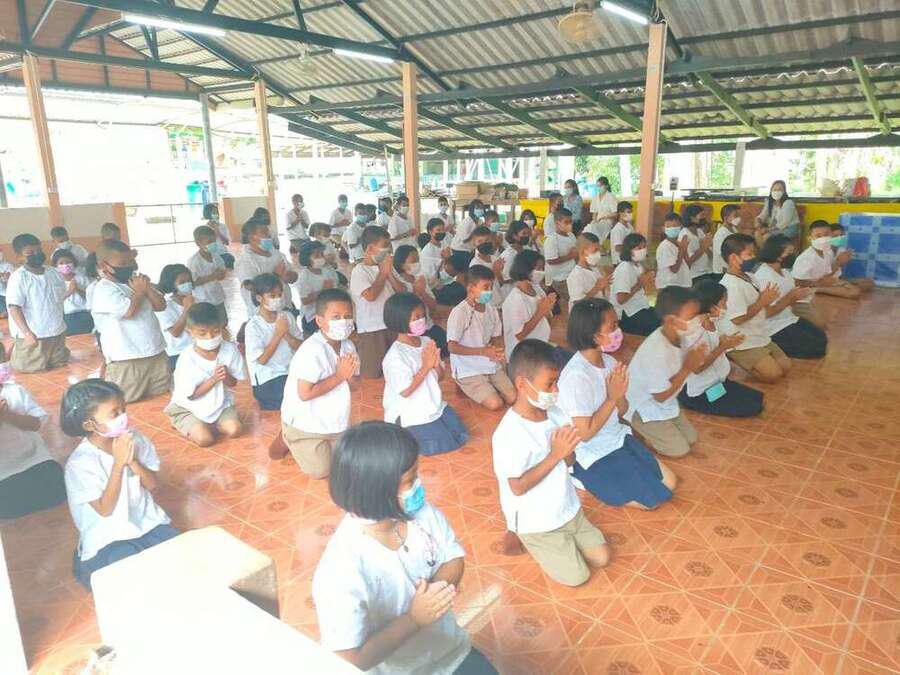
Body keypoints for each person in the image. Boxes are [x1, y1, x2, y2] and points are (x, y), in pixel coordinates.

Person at [313, 422, 494, 675]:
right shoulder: (341, 571)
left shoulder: (422, 514)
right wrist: (414, 619)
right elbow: (349, 659)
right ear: (377, 491)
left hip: (450, 651)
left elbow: (453, 558)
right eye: (410, 480)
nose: (419, 484)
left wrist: (433, 596)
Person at [492, 339, 611, 587]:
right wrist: (555, 455)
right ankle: (523, 535)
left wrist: (566, 452)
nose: (556, 390)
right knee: (578, 577)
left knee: (602, 557)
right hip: (537, 521)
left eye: (556, 382)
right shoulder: (509, 433)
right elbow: (517, 487)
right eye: (549, 384)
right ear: (522, 384)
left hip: (566, 508)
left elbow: (570, 460)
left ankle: (563, 539)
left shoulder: (556, 413)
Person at [558, 299, 677, 509]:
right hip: (589, 450)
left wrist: (619, 396)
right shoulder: (576, 377)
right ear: (595, 335)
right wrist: (612, 398)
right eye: (612, 326)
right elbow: (584, 434)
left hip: (616, 437)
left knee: (670, 483)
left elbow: (622, 410)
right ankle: (578, 475)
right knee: (650, 503)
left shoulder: (610, 362)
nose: (618, 330)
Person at [61, 379, 178, 590]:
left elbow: (153, 485)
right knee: (132, 579)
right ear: (89, 425)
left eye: (123, 409)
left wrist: (132, 461)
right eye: (114, 414)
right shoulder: (80, 463)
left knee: (179, 561)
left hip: (147, 522)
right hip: (108, 536)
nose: (123, 417)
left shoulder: (136, 439)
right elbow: (105, 509)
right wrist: (118, 464)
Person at [281, 289, 359, 478]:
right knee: (321, 471)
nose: (344, 322)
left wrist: (348, 376)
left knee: (349, 463)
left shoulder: (348, 346)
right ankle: (289, 434)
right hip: (307, 423)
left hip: (336, 421)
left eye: (348, 316)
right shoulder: (311, 350)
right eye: (336, 317)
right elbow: (305, 393)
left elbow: (355, 385)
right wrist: (340, 376)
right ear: (319, 321)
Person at [625, 287, 710, 458]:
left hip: (667, 399)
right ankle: (635, 428)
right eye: (692, 317)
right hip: (644, 406)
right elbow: (660, 396)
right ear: (671, 320)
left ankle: (660, 430)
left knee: (691, 438)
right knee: (679, 450)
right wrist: (687, 368)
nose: (698, 320)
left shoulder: (679, 335)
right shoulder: (656, 351)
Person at [382, 294, 468, 456]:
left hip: (431, 403)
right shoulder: (395, 357)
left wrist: (436, 365)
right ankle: (402, 432)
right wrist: (426, 367)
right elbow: (405, 391)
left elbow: (440, 377)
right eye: (416, 318)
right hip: (409, 411)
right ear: (399, 320)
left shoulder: (426, 341)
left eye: (422, 316)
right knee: (444, 445)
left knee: (460, 435)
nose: (421, 321)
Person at [91, 240, 170, 402]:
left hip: (155, 352)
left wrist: (147, 289)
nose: (128, 266)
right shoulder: (104, 289)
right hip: (127, 358)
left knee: (161, 396)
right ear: (104, 265)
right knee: (126, 402)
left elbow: (161, 306)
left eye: (130, 261)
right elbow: (129, 312)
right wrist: (140, 292)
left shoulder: (135, 282)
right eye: (122, 263)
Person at [0, 343, 66, 519]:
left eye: (2, 360)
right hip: (3, 472)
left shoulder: (15, 391)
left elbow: (36, 424)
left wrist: (8, 416)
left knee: (56, 489)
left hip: (34, 459)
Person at [680, 280, 765, 417]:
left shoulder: (712, 321)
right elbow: (697, 368)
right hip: (702, 391)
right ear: (711, 306)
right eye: (723, 303)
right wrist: (722, 347)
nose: (726, 307)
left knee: (758, 398)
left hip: (718, 382)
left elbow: (715, 345)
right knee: (754, 408)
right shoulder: (692, 331)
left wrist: (727, 343)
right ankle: (689, 401)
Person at [165, 302, 244, 446]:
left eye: (216, 331)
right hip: (189, 407)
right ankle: (181, 420)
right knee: (205, 440)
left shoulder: (229, 350)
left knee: (235, 430)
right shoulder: (186, 358)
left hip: (219, 403)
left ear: (222, 327)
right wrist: (214, 379)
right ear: (190, 332)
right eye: (202, 333)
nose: (210, 337)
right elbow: (191, 396)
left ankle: (210, 424)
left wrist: (225, 376)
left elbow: (233, 383)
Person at [720, 234, 792, 383]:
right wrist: (762, 301)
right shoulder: (730, 285)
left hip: (757, 333)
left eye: (754, 253)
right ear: (733, 258)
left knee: (786, 366)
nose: (754, 258)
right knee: (773, 375)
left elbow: (763, 308)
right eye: (750, 254)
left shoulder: (750, 277)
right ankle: (731, 356)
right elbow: (738, 319)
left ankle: (756, 359)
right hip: (740, 340)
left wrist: (768, 301)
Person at [447, 266, 515, 411]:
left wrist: (497, 350)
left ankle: (486, 387)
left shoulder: (491, 310)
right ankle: (463, 382)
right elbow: (452, 347)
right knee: (496, 404)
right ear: (471, 288)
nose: (489, 291)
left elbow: (496, 337)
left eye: (491, 287)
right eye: (485, 287)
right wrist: (482, 351)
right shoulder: (460, 312)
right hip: (468, 367)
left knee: (513, 397)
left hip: (489, 362)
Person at [753, 235, 827, 359]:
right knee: (814, 347)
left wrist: (800, 294)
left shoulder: (786, 272)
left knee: (821, 338)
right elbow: (765, 313)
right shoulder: (764, 276)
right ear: (777, 254)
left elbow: (791, 298)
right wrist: (790, 298)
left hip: (788, 318)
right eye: (789, 252)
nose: (793, 256)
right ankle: (770, 345)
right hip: (771, 325)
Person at [6, 233, 69, 372]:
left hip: (57, 332)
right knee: (33, 371)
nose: (36, 254)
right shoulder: (18, 278)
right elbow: (14, 307)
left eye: (39, 250)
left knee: (60, 367)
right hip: (34, 336)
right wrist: (27, 333)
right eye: (30, 253)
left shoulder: (53, 272)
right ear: (19, 257)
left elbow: (59, 298)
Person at [350, 226, 404, 378]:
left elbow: (402, 291)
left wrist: (389, 274)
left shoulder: (387, 268)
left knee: (395, 368)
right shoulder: (359, 271)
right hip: (372, 328)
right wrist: (383, 274)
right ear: (370, 248)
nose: (388, 249)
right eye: (385, 245)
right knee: (372, 373)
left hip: (392, 324)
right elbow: (371, 296)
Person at [244, 273, 302, 411]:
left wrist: (286, 334)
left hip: (290, 371)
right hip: (268, 377)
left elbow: (301, 347)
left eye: (279, 294)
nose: (278, 299)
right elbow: (262, 360)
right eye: (272, 296)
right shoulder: (253, 326)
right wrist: (278, 334)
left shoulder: (287, 317)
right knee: (293, 399)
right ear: (259, 298)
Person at [501, 250, 557, 361]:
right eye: (538, 268)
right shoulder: (516, 299)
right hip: (522, 356)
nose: (541, 272)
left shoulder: (537, 289)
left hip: (538, 347)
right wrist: (541, 311)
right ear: (526, 269)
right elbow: (520, 335)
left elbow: (547, 321)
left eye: (542, 268)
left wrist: (547, 308)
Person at [791, 220, 866, 302]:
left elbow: (828, 274)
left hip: (826, 282)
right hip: (813, 287)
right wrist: (819, 284)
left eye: (826, 234)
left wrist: (835, 280)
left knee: (861, 286)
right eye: (818, 236)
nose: (823, 238)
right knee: (854, 292)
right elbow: (797, 282)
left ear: (830, 235)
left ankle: (825, 290)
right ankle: (818, 291)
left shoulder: (826, 252)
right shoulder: (806, 257)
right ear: (810, 238)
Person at [392, 245, 447, 355]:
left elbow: (433, 305)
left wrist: (422, 292)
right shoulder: (398, 285)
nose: (417, 263)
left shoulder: (420, 279)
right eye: (413, 261)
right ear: (401, 264)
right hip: (413, 333)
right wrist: (416, 292)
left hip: (429, 327)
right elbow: (405, 310)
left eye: (418, 260)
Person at [235, 220, 297, 316]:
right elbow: (251, 287)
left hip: (285, 306)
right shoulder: (245, 261)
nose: (269, 235)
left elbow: (293, 275)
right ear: (251, 238)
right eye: (264, 232)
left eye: (268, 232)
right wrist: (276, 275)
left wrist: (289, 276)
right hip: (264, 314)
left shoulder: (276, 254)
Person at [611, 233, 658, 335]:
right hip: (627, 313)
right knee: (657, 327)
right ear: (629, 250)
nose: (643, 250)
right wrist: (640, 284)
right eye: (639, 248)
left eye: (644, 247)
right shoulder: (624, 268)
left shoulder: (637, 265)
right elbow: (621, 299)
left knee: (663, 316)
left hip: (640, 306)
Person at [154, 264, 195, 371]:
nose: (187, 284)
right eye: (182, 282)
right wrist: (187, 309)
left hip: (196, 349)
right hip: (178, 353)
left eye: (189, 280)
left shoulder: (194, 301)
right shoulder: (164, 306)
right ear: (171, 285)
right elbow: (175, 332)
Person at [186, 226, 229, 322]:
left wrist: (221, 275)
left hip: (218, 297)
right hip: (203, 300)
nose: (213, 244)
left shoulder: (216, 257)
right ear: (198, 243)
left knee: (223, 322)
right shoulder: (194, 262)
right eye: (209, 242)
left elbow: (222, 275)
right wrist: (212, 276)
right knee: (209, 323)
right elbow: (192, 282)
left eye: (214, 241)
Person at [295, 240, 336, 337]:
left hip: (327, 312)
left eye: (322, 254)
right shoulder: (304, 276)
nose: (320, 257)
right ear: (307, 258)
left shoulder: (326, 271)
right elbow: (305, 300)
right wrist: (323, 291)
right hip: (311, 316)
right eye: (316, 255)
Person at [53, 249, 94, 336]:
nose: (65, 265)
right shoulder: (55, 281)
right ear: (56, 266)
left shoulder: (82, 278)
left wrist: (77, 290)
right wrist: (69, 292)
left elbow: (91, 298)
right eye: (61, 263)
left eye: (68, 262)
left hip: (86, 313)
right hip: (68, 316)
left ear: (74, 263)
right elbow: (54, 301)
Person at [566, 232, 611, 313]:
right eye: (595, 250)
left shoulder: (595, 268)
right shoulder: (575, 276)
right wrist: (597, 288)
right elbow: (578, 304)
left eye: (599, 250)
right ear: (583, 251)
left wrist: (605, 286)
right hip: (586, 316)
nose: (598, 254)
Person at [542, 207, 577, 305]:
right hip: (559, 277)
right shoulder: (552, 240)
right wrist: (570, 256)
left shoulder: (571, 235)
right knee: (575, 300)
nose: (570, 224)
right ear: (557, 223)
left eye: (571, 222)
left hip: (571, 273)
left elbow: (575, 252)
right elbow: (551, 260)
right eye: (566, 222)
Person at [828, 222, 875, 292]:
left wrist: (845, 258)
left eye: (841, 235)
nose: (839, 238)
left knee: (870, 282)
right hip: (827, 280)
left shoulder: (841, 249)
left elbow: (839, 271)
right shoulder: (824, 251)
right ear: (828, 237)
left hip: (837, 279)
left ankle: (845, 288)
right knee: (855, 290)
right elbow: (825, 275)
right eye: (835, 236)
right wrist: (838, 262)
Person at [468, 226, 505, 308]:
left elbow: (501, 283)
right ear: (474, 243)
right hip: (488, 305)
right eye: (480, 241)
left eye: (487, 240)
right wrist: (495, 271)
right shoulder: (475, 264)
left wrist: (499, 273)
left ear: (492, 240)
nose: (484, 244)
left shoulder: (495, 259)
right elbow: (481, 290)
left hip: (500, 301)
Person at [679, 205, 717, 284]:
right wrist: (703, 247)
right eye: (702, 215)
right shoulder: (685, 234)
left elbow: (710, 254)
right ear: (692, 218)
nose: (704, 218)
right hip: (695, 276)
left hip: (707, 272)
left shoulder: (699, 231)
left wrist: (707, 245)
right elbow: (688, 261)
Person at [656, 212, 692, 290]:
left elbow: (688, 264)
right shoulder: (665, 246)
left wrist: (684, 249)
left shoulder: (680, 244)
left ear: (681, 228)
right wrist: (682, 250)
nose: (672, 228)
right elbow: (674, 269)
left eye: (675, 226)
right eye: (668, 226)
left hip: (681, 284)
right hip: (669, 286)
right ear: (663, 229)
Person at [420, 217, 451, 289]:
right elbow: (431, 277)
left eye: (443, 230)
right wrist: (445, 259)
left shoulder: (444, 244)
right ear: (430, 232)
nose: (442, 232)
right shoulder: (427, 251)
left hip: (448, 279)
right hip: (435, 285)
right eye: (438, 230)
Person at [712, 204, 742, 276]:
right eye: (735, 216)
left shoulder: (734, 229)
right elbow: (721, 254)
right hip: (722, 272)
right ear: (726, 218)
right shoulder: (721, 234)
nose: (739, 218)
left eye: (739, 215)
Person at [202, 203, 234, 269]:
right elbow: (204, 245)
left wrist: (218, 231)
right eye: (214, 212)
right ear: (208, 214)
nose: (216, 214)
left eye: (217, 212)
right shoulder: (204, 228)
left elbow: (227, 243)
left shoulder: (223, 226)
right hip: (210, 255)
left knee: (230, 258)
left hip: (223, 253)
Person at [0, 250, 12, 319]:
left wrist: (5, 276)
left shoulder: (7, 265)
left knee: (5, 314)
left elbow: (11, 277)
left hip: (4, 294)